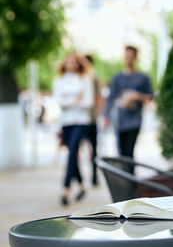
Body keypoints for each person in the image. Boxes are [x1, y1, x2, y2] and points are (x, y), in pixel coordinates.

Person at [53, 52, 94, 206]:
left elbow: (88, 102)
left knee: (72, 152)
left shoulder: (85, 79)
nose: (71, 64)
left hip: (81, 121)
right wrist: (76, 99)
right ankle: (82, 185)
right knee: (72, 153)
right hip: (66, 122)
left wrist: (69, 101)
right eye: (68, 61)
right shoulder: (59, 79)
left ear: (78, 63)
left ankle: (66, 189)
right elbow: (59, 102)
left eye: (74, 61)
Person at [103, 46, 153, 171]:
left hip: (134, 121)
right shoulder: (117, 78)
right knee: (121, 153)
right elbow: (110, 98)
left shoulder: (143, 78)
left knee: (129, 152)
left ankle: (131, 183)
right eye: (127, 57)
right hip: (119, 120)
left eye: (131, 57)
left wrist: (138, 96)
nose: (128, 60)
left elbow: (150, 97)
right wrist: (106, 117)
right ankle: (124, 182)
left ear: (135, 58)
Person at [84, 54, 102, 186]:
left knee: (93, 149)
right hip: (79, 120)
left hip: (91, 119)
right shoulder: (79, 78)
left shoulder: (94, 78)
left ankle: (94, 176)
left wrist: (98, 113)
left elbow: (98, 97)